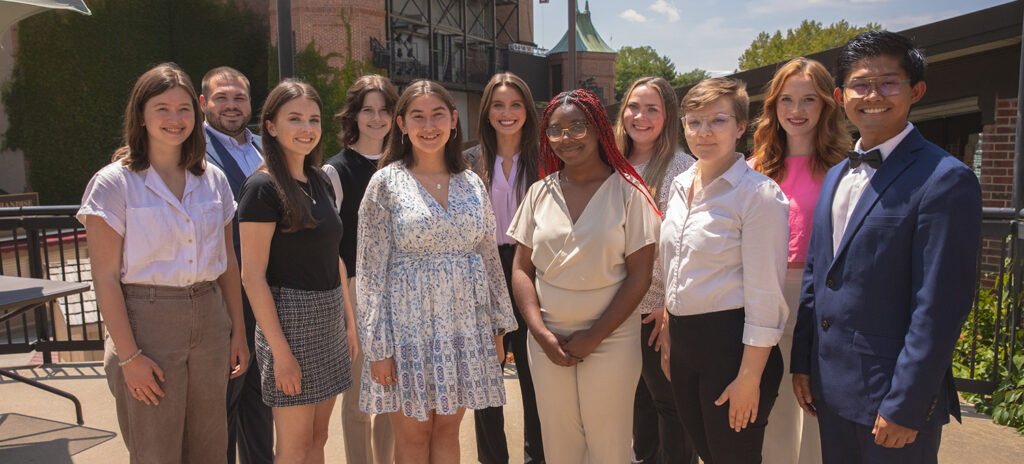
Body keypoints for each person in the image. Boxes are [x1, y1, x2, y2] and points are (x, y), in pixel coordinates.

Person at [791, 31, 982, 464]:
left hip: (891, 398)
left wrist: (907, 404)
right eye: (860, 84)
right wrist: (802, 363)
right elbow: (816, 276)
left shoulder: (944, 178)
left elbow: (939, 306)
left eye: (888, 83)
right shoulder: (837, 175)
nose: (873, 95)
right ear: (840, 96)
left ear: (916, 91)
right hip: (830, 388)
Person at [78, 63, 248, 463]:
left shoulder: (213, 180)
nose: (175, 119)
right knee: (156, 451)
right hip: (146, 323)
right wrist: (129, 356)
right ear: (141, 114)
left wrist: (237, 332)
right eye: (162, 108)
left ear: (197, 112)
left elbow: (227, 266)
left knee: (210, 447)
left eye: (184, 109)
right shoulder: (114, 183)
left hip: (210, 321)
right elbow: (103, 277)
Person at [355, 79, 518, 463]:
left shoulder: (473, 183)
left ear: (454, 120)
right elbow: (370, 273)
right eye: (418, 116)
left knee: (447, 432)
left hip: (464, 328)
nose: (429, 125)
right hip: (406, 331)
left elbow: (488, 257)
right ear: (402, 125)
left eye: (437, 115)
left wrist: (497, 328)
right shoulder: (385, 184)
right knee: (413, 437)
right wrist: (378, 348)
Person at [508, 88, 661, 464]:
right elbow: (521, 270)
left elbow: (640, 277)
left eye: (577, 126)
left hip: (611, 337)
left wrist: (595, 335)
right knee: (559, 444)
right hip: (548, 340)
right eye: (556, 130)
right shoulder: (538, 194)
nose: (566, 138)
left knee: (609, 443)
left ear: (598, 128)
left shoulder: (629, 193)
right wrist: (539, 333)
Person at [659, 77, 789, 464]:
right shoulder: (680, 184)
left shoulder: (758, 195)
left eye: (717, 120)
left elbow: (766, 295)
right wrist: (669, 333)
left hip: (732, 350)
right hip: (685, 346)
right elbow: (675, 265)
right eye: (694, 121)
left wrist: (749, 378)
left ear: (740, 127)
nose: (704, 132)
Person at [237, 79, 354, 462]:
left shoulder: (319, 179)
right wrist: (280, 353)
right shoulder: (261, 188)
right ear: (270, 126)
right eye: (295, 119)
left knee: (318, 439)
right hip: (290, 323)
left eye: (313, 119)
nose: (307, 128)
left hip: (330, 319)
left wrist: (349, 325)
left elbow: (333, 256)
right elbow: (251, 276)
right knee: (293, 446)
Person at [747, 57, 849, 464]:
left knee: (819, 413)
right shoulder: (752, 170)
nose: (796, 110)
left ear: (826, 104)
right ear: (773, 106)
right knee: (771, 412)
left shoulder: (846, 168)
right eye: (786, 99)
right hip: (763, 295)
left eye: (809, 99)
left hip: (823, 297)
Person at [463, 72, 545, 464]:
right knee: (486, 384)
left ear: (527, 111)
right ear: (486, 111)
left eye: (515, 104)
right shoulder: (466, 162)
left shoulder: (548, 159)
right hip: (483, 272)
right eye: (498, 105)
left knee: (536, 383)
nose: (507, 113)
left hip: (534, 272)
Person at [614, 76, 697, 464]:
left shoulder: (684, 170)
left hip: (658, 310)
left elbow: (689, 247)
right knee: (634, 409)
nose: (641, 117)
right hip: (615, 310)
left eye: (652, 109)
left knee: (670, 408)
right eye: (633, 106)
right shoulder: (607, 166)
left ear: (668, 117)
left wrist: (671, 307)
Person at [199, 65, 274, 464]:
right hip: (224, 297)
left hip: (268, 293)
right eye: (221, 97)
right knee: (224, 407)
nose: (231, 105)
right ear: (203, 103)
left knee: (261, 406)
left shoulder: (268, 147)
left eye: (239, 98)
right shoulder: (192, 150)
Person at [322, 74, 398, 464]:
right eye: (368, 110)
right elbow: (329, 245)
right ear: (353, 115)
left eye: (385, 110)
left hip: (400, 290)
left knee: (391, 392)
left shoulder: (403, 165)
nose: (377, 118)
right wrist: (347, 307)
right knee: (357, 398)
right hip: (354, 289)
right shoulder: (335, 171)